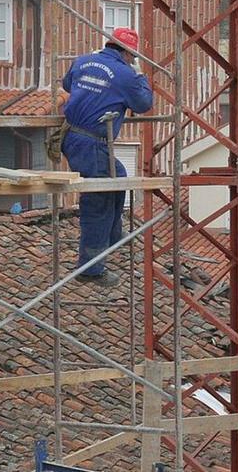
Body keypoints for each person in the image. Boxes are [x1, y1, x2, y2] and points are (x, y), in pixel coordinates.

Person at [61, 27, 153, 287]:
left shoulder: (82, 61)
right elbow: (144, 104)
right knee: (98, 201)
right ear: (127, 53)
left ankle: (113, 235)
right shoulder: (126, 74)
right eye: (133, 56)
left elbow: (68, 84)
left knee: (119, 176)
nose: (133, 60)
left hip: (73, 138)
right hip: (92, 142)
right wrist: (142, 79)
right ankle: (91, 268)